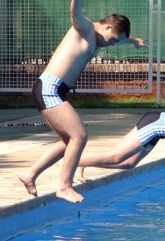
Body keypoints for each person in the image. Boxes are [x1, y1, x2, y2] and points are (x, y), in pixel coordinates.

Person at [18, 0, 146, 203]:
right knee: (80, 136)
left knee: (68, 142)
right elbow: (75, 10)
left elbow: (120, 39)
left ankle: (30, 174)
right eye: (113, 40)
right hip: (50, 88)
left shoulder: (100, 37)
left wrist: (134, 41)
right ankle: (64, 186)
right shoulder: (85, 28)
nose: (111, 44)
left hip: (55, 90)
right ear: (107, 26)